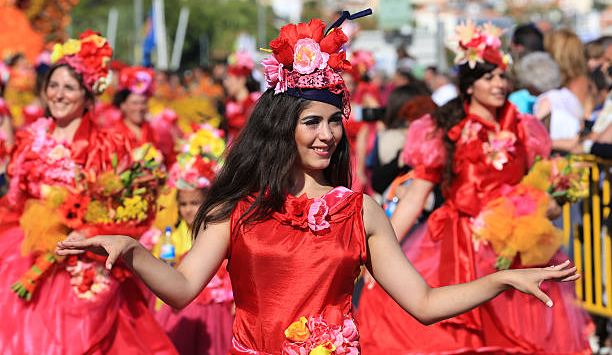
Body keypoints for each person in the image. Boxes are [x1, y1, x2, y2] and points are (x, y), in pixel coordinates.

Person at [58, 18, 581, 355]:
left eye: (334, 122)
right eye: (312, 121)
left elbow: (422, 302)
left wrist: (500, 283)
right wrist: (130, 250)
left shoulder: (361, 212)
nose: (327, 134)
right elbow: (179, 290)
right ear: (282, 125)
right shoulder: (238, 210)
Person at [356, 21, 592, 354]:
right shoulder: (445, 130)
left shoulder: (525, 127)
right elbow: (414, 198)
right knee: (448, 330)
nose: (498, 84)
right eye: (488, 77)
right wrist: (376, 256)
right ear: (469, 86)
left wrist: (552, 199)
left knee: (525, 334)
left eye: (501, 76)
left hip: (516, 247)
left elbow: (539, 186)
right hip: (460, 245)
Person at [0, 31, 177, 354]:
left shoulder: (111, 144)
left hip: (88, 258)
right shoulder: (28, 142)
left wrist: (92, 229)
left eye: (69, 87)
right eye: (53, 86)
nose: (58, 94)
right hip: (28, 257)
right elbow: (14, 203)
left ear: (87, 94)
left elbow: (133, 205)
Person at [153, 124, 233, 355]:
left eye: (195, 203)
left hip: (215, 309)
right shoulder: (170, 236)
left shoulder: (217, 231)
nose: (189, 210)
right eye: (184, 204)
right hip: (182, 311)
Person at [222, 50, 261, 141]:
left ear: (241, 80)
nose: (225, 83)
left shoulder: (257, 100)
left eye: (229, 79)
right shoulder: (229, 104)